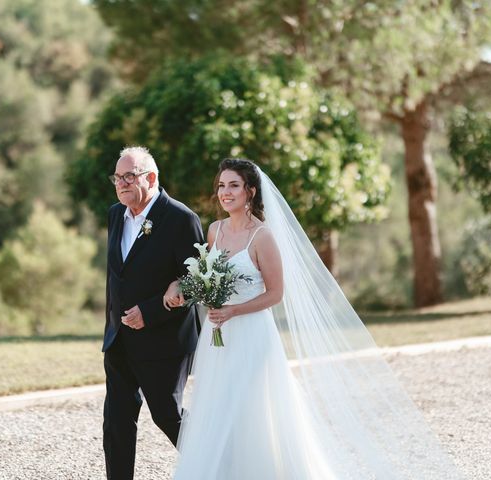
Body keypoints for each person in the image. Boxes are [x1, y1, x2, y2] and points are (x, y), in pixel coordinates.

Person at [164, 158, 463, 479]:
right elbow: (208, 275)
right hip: (218, 335)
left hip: (251, 333)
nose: (225, 192)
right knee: (218, 404)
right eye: (221, 186)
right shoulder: (214, 230)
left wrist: (234, 310)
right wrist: (206, 297)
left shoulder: (262, 237)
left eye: (234, 185)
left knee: (252, 409)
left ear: (250, 191)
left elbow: (275, 294)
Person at [103, 146, 204, 480]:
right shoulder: (116, 214)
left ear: (151, 177)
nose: (122, 184)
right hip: (120, 339)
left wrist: (150, 311)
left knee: (167, 415)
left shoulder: (180, 218)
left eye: (129, 176)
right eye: (117, 177)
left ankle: (219, 463)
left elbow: (195, 283)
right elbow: (117, 275)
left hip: (165, 340)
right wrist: (112, 325)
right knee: (116, 420)